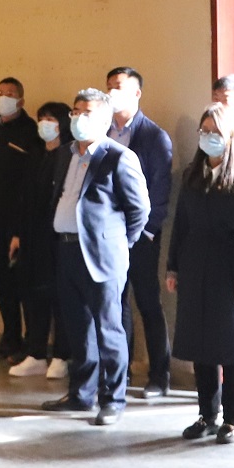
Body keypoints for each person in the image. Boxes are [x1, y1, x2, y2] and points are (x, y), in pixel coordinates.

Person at [42, 88, 151, 425]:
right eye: (76, 112)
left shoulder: (118, 157)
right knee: (77, 329)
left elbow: (139, 210)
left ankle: (113, 399)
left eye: (87, 113)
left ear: (104, 120)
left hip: (103, 257)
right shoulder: (65, 155)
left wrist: (119, 243)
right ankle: (81, 394)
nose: (79, 118)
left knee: (108, 328)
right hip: (66, 250)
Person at [169, 105, 234, 441]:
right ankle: (206, 413)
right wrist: (173, 266)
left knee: (231, 344)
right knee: (201, 343)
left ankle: (233, 415)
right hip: (195, 264)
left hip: (230, 265)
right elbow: (180, 223)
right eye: (204, 131)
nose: (209, 137)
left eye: (216, 132)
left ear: (231, 137)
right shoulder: (193, 174)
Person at [104, 67, 174, 397]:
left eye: (118, 87)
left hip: (141, 234)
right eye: (108, 86)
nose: (112, 92)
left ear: (136, 93)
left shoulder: (154, 136)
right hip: (108, 234)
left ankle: (159, 375)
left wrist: (146, 231)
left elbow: (160, 191)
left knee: (147, 301)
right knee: (115, 304)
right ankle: (121, 372)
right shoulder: (103, 131)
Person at [0, 77, 44, 362]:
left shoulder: (31, 132)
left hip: (19, 220)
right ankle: (10, 337)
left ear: (21, 100)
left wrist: (20, 225)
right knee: (1, 281)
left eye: (9, 93)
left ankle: (31, 344)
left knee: (23, 282)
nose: (3, 97)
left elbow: (30, 181)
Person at [9, 101, 72, 379]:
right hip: (32, 236)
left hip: (57, 237)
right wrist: (17, 234)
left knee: (59, 296)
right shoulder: (36, 155)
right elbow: (22, 198)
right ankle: (35, 352)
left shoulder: (68, 156)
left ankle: (61, 355)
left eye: (51, 119)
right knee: (33, 294)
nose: (45, 124)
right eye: (42, 118)